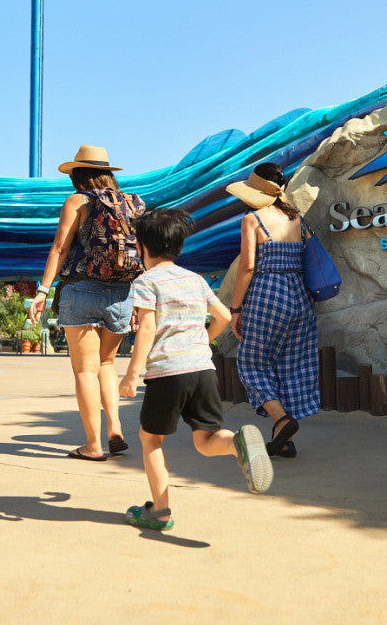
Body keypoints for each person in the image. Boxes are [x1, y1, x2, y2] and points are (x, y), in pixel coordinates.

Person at [118, 208, 273, 531]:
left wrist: (133, 372)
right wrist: (201, 340)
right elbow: (224, 318)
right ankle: (236, 444)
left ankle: (159, 511)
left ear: (143, 247)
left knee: (150, 439)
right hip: (203, 369)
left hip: (167, 372)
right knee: (206, 440)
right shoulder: (195, 280)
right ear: (178, 248)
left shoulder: (146, 282)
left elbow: (146, 329)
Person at [28, 144, 145, 461]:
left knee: (84, 371)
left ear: (78, 175)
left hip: (82, 291)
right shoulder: (131, 204)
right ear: (107, 173)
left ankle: (93, 445)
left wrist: (42, 290)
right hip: (122, 293)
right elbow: (137, 253)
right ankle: (115, 430)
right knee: (107, 364)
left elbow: (59, 249)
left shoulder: (77, 201)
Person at [225, 162, 320, 458]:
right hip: (301, 297)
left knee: (252, 363)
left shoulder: (253, 219)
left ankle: (281, 419)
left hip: (267, 294)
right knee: (291, 365)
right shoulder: (296, 219)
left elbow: (248, 266)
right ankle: (284, 440)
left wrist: (236, 308)